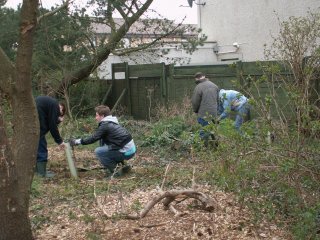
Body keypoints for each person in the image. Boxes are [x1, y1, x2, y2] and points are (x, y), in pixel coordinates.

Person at [71, 105, 136, 178]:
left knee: (99, 151)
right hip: (130, 149)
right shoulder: (112, 122)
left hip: (127, 152)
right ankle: (123, 166)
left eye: (97, 115)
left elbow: (93, 138)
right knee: (102, 141)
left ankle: (115, 173)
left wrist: (77, 141)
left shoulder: (105, 125)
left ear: (102, 116)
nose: (95, 118)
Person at [36, 96, 66, 177]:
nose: (60, 111)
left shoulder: (49, 105)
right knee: (42, 148)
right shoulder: (54, 105)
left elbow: (49, 123)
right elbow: (52, 126)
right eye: (61, 109)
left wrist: (58, 121)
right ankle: (41, 173)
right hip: (37, 127)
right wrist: (59, 141)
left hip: (33, 123)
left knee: (37, 147)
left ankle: (37, 171)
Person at [191, 72, 219, 143]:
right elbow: (218, 100)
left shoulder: (198, 87)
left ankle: (205, 149)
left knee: (204, 132)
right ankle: (216, 146)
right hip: (214, 113)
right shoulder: (215, 86)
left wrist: (195, 110)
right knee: (214, 131)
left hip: (203, 114)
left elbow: (195, 102)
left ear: (197, 78)